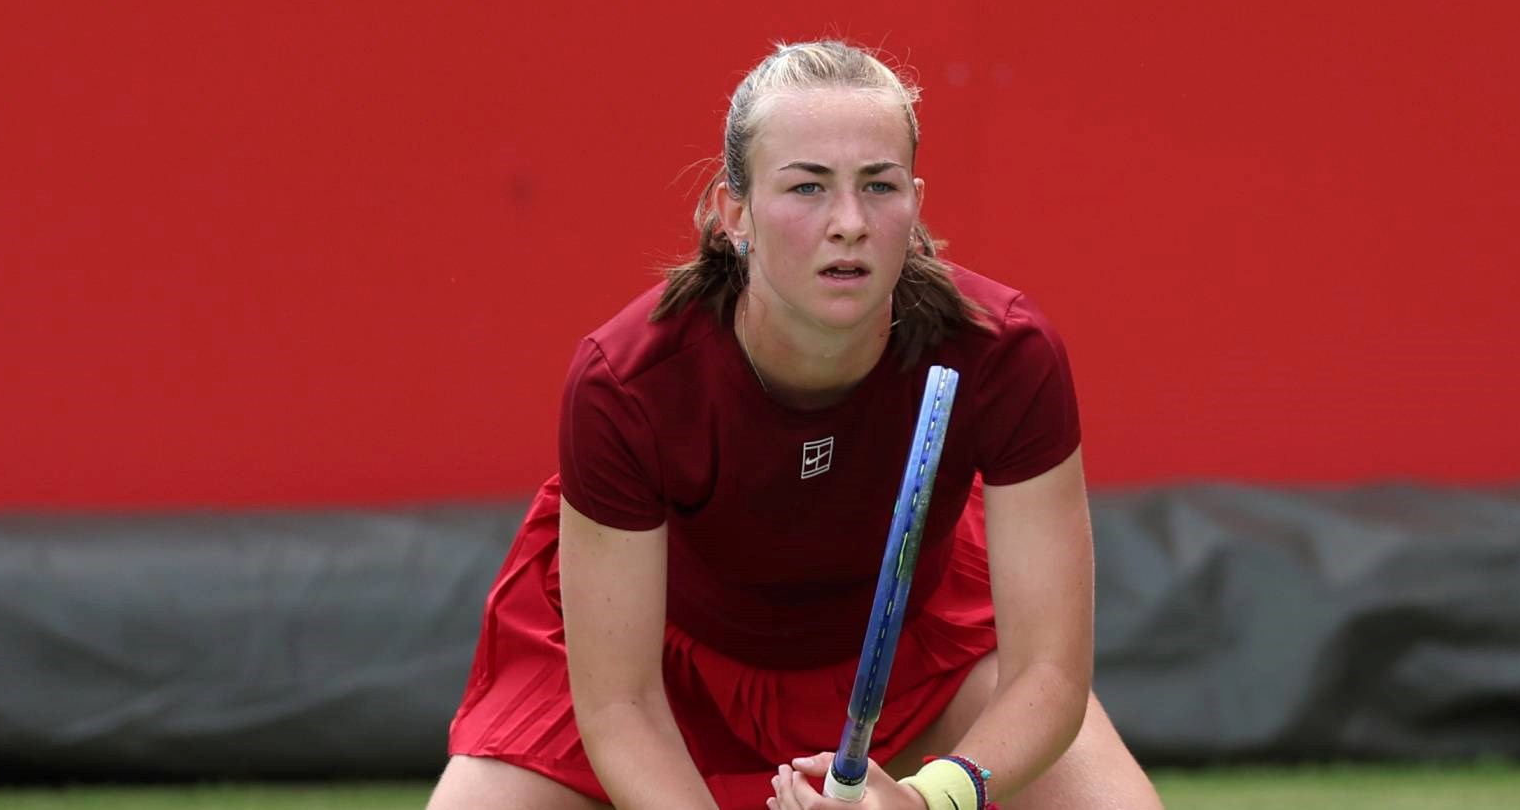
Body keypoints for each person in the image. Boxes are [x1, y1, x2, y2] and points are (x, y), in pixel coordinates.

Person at [427, 40, 1162, 810]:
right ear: (733, 213)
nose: (848, 222)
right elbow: (621, 706)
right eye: (807, 187)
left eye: (878, 186)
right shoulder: (624, 383)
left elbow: (1049, 672)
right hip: (652, 672)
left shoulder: (1008, 352)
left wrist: (926, 800)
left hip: (920, 653)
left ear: (914, 205)